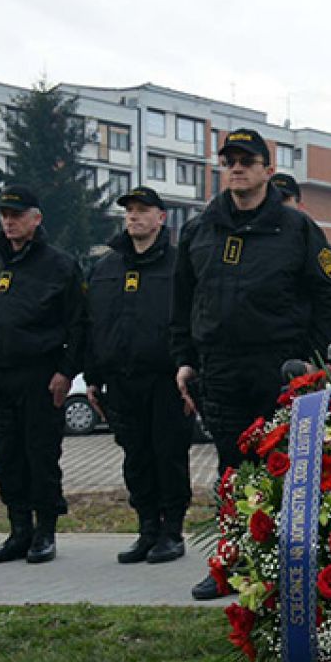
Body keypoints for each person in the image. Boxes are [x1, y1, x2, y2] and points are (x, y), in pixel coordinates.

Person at [171, 128, 331, 599]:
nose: (237, 168)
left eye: (247, 160)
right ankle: (231, 562)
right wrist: (184, 359)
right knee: (231, 472)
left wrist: (310, 361)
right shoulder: (198, 230)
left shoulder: (298, 230)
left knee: (285, 470)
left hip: (280, 370)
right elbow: (182, 302)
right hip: (220, 369)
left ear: (268, 170)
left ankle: (287, 568)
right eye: (229, 160)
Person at [0, 185, 84, 565]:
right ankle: (19, 531)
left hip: (39, 378)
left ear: (36, 218)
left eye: (17, 214)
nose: (9, 221)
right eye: (4, 214)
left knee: (40, 456)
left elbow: (79, 325)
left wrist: (65, 372)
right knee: (7, 458)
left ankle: (45, 533)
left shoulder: (60, 265)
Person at [83, 186, 192, 565]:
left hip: (166, 380)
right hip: (121, 380)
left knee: (169, 456)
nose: (134, 216)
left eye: (143, 210)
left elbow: (193, 320)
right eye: (129, 210)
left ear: (161, 218)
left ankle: (171, 532)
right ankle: (147, 530)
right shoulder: (106, 267)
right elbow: (92, 323)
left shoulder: (181, 264)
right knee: (136, 458)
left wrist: (190, 369)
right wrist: (93, 375)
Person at [271, 172, 331, 339]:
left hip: (306, 353)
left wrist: (321, 355)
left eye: (285, 199)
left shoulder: (326, 254)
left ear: (300, 206)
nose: (279, 206)